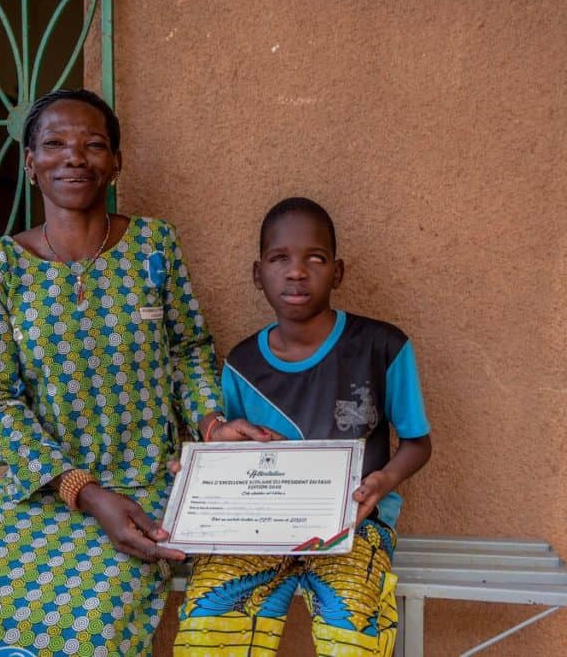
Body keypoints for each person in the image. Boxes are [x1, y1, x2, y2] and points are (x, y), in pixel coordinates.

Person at [0, 88, 269, 657]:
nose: (74, 157)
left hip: (143, 486)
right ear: (30, 162)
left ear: (116, 162)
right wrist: (80, 489)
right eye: (55, 144)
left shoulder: (153, 246)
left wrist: (211, 425)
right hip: (41, 490)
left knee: (82, 636)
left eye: (94, 145)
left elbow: (187, 349)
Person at [173, 197, 433, 657]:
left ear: (338, 271)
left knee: (349, 626)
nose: (296, 272)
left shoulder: (383, 346)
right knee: (208, 621)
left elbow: (417, 442)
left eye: (315, 258)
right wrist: (200, 476)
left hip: (355, 524)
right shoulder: (242, 363)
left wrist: (383, 481)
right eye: (279, 259)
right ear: (258, 274)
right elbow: (232, 456)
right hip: (258, 529)